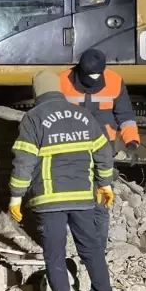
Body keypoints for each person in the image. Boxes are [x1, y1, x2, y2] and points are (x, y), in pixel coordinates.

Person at [9, 70, 116, 291]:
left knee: (55, 255)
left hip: (49, 200)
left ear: (36, 92)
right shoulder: (82, 114)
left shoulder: (33, 118)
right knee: (91, 250)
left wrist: (16, 197)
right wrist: (105, 184)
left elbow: (23, 161)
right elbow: (103, 151)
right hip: (82, 197)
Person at [58, 49, 140, 251]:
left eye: (97, 76)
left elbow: (125, 114)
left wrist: (132, 142)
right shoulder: (61, 81)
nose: (93, 80)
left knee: (100, 200)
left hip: (103, 148)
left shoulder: (114, 80)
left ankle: (97, 247)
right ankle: (71, 243)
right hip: (71, 147)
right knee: (71, 196)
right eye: (88, 76)